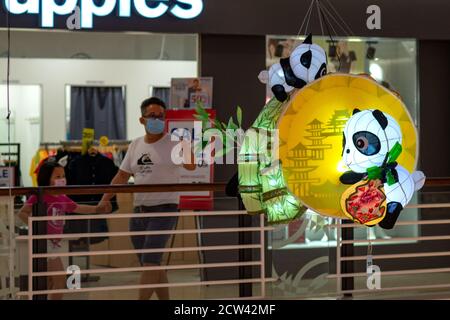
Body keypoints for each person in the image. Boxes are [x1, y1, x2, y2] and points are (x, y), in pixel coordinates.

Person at [98, 97, 195, 300]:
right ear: (142, 120)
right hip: (140, 211)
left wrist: (186, 147)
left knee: (150, 263)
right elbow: (122, 176)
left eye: (161, 116)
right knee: (152, 265)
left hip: (165, 210)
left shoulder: (174, 143)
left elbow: (191, 166)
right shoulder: (135, 145)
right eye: (152, 116)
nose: (157, 120)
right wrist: (105, 198)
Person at [17, 158, 111, 300]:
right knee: (60, 280)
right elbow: (22, 212)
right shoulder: (40, 196)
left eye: (63, 176)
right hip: (45, 243)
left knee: (49, 281)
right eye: (57, 176)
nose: (62, 179)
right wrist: (37, 227)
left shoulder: (62, 197)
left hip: (55, 244)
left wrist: (97, 209)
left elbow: (78, 208)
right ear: (47, 179)